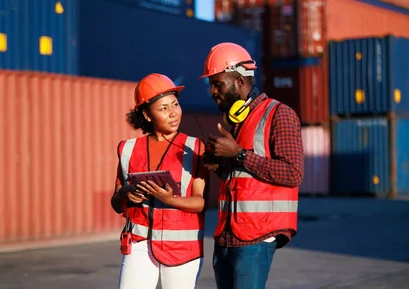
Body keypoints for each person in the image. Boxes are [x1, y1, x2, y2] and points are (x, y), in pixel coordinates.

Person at [197, 42, 304, 289]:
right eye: (210, 85)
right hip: (226, 235)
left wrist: (238, 154)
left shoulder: (280, 114)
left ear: (239, 81)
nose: (212, 91)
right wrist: (220, 167)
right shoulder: (236, 121)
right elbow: (245, 181)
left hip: (257, 236)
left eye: (217, 84)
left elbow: (293, 172)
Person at [110, 73, 208, 289]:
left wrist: (169, 199)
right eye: (163, 109)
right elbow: (117, 203)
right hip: (138, 244)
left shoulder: (195, 148)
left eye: (175, 104)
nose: (173, 113)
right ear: (146, 115)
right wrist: (126, 193)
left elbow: (200, 203)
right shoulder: (127, 149)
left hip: (182, 248)